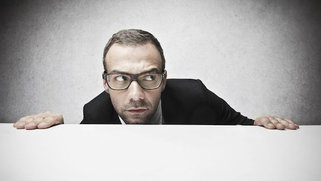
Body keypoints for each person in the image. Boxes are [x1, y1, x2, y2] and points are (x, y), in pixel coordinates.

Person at [13, 29, 299, 130]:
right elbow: (78, 156)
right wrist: (58, 132)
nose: (135, 94)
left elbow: (244, 128)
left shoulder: (195, 95)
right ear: (105, 83)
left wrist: (261, 125)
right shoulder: (95, 113)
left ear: (164, 79)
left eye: (149, 76)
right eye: (121, 78)